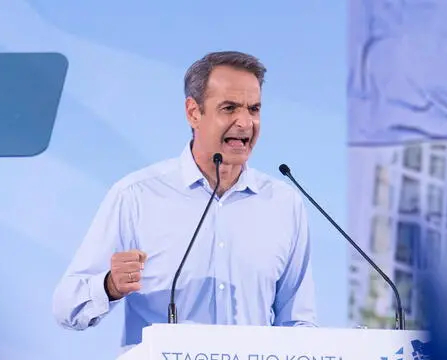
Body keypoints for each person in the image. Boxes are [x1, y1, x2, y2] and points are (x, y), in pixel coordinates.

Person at [52, 51, 317, 350]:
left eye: (254, 109)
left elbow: (298, 322)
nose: (245, 122)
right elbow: (67, 308)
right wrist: (109, 285)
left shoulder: (284, 204)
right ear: (193, 112)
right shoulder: (137, 196)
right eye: (229, 108)